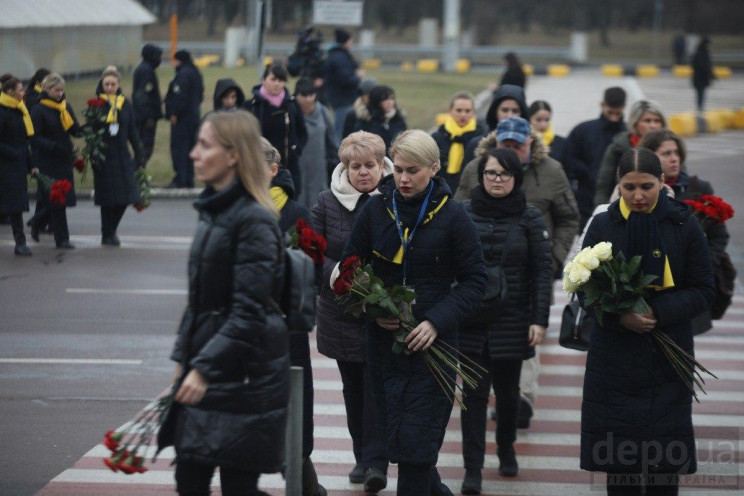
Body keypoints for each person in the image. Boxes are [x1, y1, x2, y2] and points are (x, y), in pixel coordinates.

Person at [340, 129, 487, 495]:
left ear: (434, 169)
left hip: (433, 349)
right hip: (384, 347)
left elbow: (474, 282)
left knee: (417, 451)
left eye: (413, 171)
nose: (403, 179)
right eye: (399, 170)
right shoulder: (375, 210)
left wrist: (436, 321)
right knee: (401, 444)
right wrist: (374, 310)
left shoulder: (454, 217)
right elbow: (348, 272)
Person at [157, 111, 287, 496]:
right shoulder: (214, 212)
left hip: (244, 378)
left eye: (205, 145)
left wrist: (201, 370)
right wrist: (183, 363)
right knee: (189, 480)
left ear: (233, 156)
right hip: (210, 370)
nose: (194, 154)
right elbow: (199, 304)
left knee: (237, 488)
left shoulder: (254, 221)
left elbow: (248, 312)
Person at [580, 147, 715, 496]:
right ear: (618, 185)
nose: (638, 196)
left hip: (668, 355)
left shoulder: (683, 223)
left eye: (646, 186)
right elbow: (584, 289)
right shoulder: (602, 224)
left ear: (663, 182)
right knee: (620, 465)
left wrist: (659, 312)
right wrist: (619, 314)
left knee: (662, 465)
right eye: (629, 187)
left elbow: (703, 290)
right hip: (614, 356)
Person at [455, 117, 579, 428]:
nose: (510, 150)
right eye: (504, 144)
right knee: (478, 362)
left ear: (529, 145)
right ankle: (480, 410)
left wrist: (553, 258)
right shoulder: (475, 169)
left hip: (529, 273)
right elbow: (455, 216)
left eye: (517, 146)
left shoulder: (551, 171)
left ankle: (520, 400)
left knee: (524, 345)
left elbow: (568, 218)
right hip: (481, 286)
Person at [458, 148, 552, 494]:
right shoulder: (463, 212)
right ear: (481, 175)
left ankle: (506, 446)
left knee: (509, 394)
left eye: (505, 174)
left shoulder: (529, 217)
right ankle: (472, 468)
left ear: (516, 178)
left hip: (513, 319)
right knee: (473, 395)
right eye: (491, 173)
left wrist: (538, 320)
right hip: (471, 320)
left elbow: (542, 272)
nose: (497, 180)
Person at [311, 131, 393, 493]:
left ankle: (377, 462)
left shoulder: (395, 197)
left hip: (384, 311)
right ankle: (362, 455)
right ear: (345, 167)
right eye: (356, 166)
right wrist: (340, 276)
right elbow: (311, 249)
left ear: (381, 166)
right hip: (340, 311)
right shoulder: (326, 203)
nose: (364, 173)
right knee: (353, 388)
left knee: (378, 387)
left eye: (370, 166)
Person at [258, 136, 327, 496]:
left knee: (296, 401)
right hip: (248, 327)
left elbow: (313, 268)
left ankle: (301, 474)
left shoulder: (297, 213)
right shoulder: (234, 210)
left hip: (287, 327)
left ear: (273, 169)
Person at [641, 128, 728, 335]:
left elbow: (719, 235)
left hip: (687, 291)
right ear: (651, 158)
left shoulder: (698, 188)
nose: (674, 159)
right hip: (649, 290)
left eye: (677, 153)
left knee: (681, 347)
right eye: (667, 153)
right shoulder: (639, 191)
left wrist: (703, 264)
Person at [90, 65, 144, 246]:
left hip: (122, 157)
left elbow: (132, 131)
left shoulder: (125, 104)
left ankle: (112, 229)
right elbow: (92, 134)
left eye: (113, 84)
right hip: (104, 157)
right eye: (107, 84)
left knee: (127, 197)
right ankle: (107, 233)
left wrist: (139, 152)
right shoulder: (96, 105)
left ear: (118, 84)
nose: (110, 88)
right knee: (108, 201)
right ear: (102, 84)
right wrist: (94, 158)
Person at [29, 73, 82, 249]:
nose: (60, 93)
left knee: (62, 199)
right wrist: (54, 147)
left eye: (61, 90)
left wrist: (91, 127)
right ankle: (61, 238)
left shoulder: (64, 107)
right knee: (56, 200)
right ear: (46, 89)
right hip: (47, 161)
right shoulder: (38, 110)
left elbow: (74, 129)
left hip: (64, 159)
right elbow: (34, 138)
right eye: (56, 90)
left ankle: (39, 223)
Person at [566, 86, 627, 229]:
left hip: (621, 203)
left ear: (624, 108)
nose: (613, 118)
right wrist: (586, 174)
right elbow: (569, 162)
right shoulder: (583, 131)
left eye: (617, 113)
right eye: (610, 112)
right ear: (602, 105)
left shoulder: (628, 136)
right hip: (585, 202)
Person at [244, 63, 308, 192]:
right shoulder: (251, 106)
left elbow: (302, 132)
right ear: (263, 80)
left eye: (281, 80)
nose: (277, 84)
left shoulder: (291, 105)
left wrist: (295, 150)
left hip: (287, 167)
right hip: (258, 167)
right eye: (273, 79)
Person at [594, 100, 666, 206]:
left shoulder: (670, 147)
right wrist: (603, 209)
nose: (653, 126)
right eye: (647, 121)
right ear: (635, 123)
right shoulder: (618, 147)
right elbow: (603, 185)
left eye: (657, 121)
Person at [0, 75, 38, 256]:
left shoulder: (19, 110)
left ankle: (20, 242)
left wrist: (31, 165)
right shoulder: (2, 111)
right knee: (14, 205)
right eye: (21, 90)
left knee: (15, 205)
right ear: (10, 92)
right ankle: (20, 243)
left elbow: (24, 142)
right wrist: (14, 154)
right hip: (6, 166)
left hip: (17, 165)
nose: (24, 93)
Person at [294, 77, 338, 210]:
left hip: (318, 167)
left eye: (311, 95)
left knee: (317, 204)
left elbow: (332, 140)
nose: (308, 99)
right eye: (303, 95)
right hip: (297, 167)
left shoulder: (323, 112)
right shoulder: (291, 113)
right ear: (296, 96)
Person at [432, 91, 486, 193]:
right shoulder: (438, 136)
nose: (463, 114)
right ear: (450, 111)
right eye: (459, 110)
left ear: (473, 112)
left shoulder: (481, 137)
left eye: (467, 111)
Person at [164, 49, 204, 188]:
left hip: (182, 119)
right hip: (193, 117)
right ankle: (188, 179)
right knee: (190, 148)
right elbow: (200, 95)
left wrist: (174, 113)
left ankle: (180, 179)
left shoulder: (183, 75)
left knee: (179, 149)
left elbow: (179, 97)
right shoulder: (196, 73)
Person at [463, 84, 528, 167]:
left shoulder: (531, 147)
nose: (510, 115)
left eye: (515, 111)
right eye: (505, 110)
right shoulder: (476, 146)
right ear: (495, 112)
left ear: (522, 114)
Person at [24, 68, 51, 233]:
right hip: (38, 144)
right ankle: (39, 219)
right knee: (45, 185)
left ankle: (40, 219)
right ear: (39, 82)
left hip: (44, 143)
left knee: (46, 185)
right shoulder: (34, 99)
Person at [323, 28, 364, 139]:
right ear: (346, 41)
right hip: (343, 99)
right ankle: (339, 152)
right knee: (341, 130)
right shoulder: (340, 57)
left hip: (339, 98)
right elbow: (345, 79)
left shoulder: (335, 55)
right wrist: (358, 77)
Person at [132, 43, 163, 167]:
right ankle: (137, 176)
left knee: (143, 148)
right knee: (145, 148)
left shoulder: (144, 68)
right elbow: (143, 95)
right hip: (145, 118)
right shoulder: (146, 71)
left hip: (142, 115)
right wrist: (148, 115)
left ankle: (138, 176)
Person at [353, 84, 407, 152]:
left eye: (392, 98)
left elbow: (406, 142)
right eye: (385, 99)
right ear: (376, 102)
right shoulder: (366, 121)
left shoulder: (398, 119)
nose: (389, 102)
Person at [529, 100, 568, 168]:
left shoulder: (562, 143)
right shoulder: (525, 142)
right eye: (538, 120)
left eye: (547, 120)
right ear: (529, 119)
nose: (543, 125)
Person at [692, 36, 714, 112]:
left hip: (701, 78)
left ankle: (700, 107)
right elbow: (702, 65)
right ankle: (700, 108)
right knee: (700, 93)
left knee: (701, 93)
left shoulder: (702, 52)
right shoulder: (701, 53)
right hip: (700, 77)